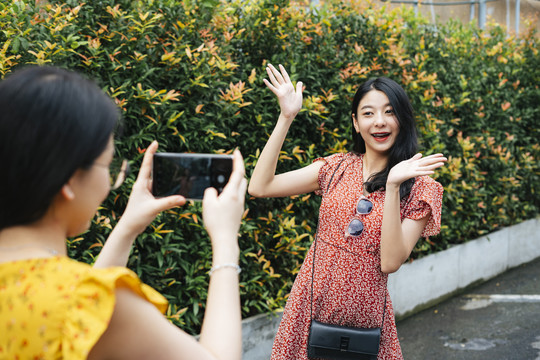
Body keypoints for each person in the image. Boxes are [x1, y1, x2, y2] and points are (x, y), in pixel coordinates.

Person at [0, 66, 247, 360]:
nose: (112, 181)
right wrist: (225, 241)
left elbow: (76, 318)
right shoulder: (88, 300)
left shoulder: (64, 295)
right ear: (67, 179)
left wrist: (129, 225)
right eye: (109, 166)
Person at [248, 64, 447, 359]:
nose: (379, 122)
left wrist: (392, 187)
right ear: (356, 123)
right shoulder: (336, 167)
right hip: (308, 310)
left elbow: (390, 262)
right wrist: (286, 117)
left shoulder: (420, 187)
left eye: (389, 111)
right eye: (368, 113)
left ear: (402, 119)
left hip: (365, 325)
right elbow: (260, 186)